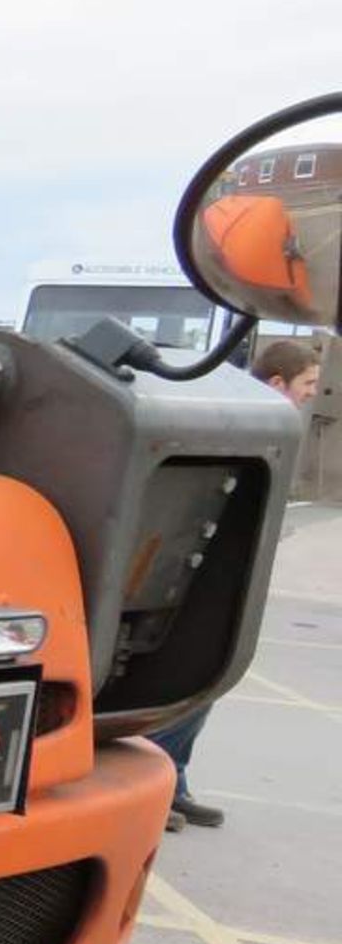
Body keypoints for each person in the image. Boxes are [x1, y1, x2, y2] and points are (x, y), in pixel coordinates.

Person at [152, 338, 320, 831]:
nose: (313, 393)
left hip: (223, 574)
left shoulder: (262, 426)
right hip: (195, 573)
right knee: (191, 677)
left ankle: (172, 783)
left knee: (207, 685)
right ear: (276, 384)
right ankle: (159, 786)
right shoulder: (237, 419)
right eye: (308, 384)